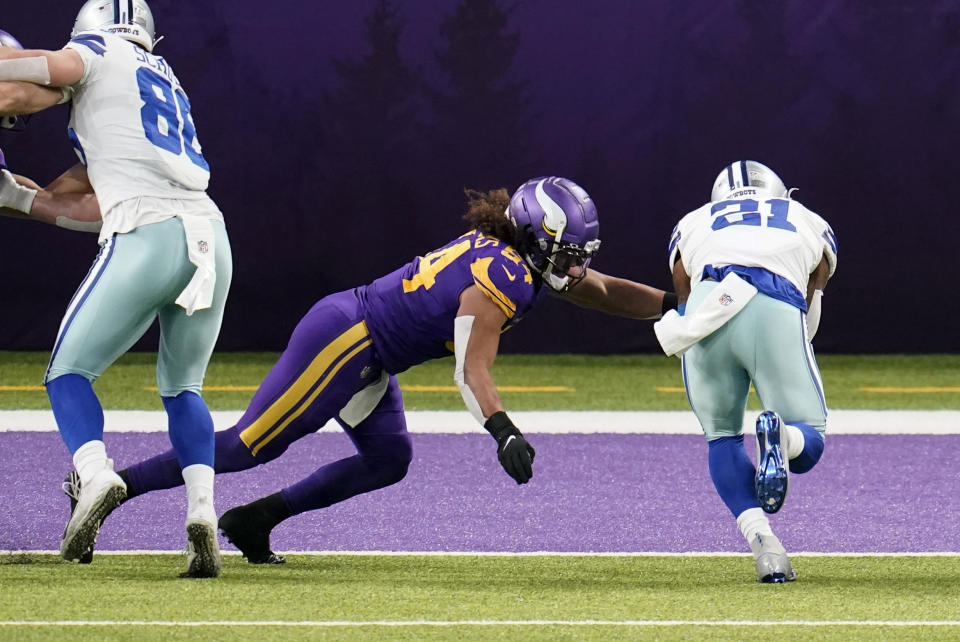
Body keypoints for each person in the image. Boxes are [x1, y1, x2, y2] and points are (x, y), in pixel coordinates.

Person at [59, 175, 675, 565]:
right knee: (249, 445)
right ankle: (111, 487)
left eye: (576, 257)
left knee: (389, 459)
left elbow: (603, 290)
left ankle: (255, 520)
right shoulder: (503, 276)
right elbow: (469, 368)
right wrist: (501, 428)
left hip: (373, 351)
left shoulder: (521, 258)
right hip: (350, 340)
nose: (573, 268)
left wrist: (674, 306)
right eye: (566, 254)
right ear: (539, 239)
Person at [0, 1, 231, 578]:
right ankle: (201, 512)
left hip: (147, 232)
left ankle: (96, 472)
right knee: (184, 387)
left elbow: (39, 76)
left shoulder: (100, 51)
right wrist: (22, 199)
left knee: (67, 372)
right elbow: (81, 202)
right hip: (211, 235)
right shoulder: (159, 80)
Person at [654, 160, 836, 583]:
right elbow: (815, 285)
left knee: (721, 437)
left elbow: (683, 289)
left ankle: (766, 549)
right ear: (777, 191)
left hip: (706, 304)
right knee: (808, 440)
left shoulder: (694, 220)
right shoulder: (804, 217)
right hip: (773, 299)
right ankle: (782, 435)